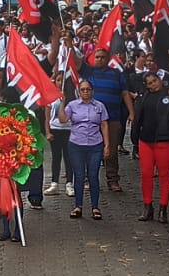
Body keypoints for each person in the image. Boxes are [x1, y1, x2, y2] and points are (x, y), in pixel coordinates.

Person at [133, 72, 169, 223]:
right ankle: (147, 206)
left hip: (165, 140)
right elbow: (138, 119)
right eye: (149, 83)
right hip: (146, 141)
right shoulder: (145, 97)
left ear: (160, 80)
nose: (153, 85)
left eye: (154, 81)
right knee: (146, 174)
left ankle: (163, 208)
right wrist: (135, 140)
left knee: (164, 175)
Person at [79, 48, 133, 192]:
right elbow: (76, 61)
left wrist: (132, 113)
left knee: (112, 151)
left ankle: (113, 180)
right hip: (92, 119)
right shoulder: (88, 72)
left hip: (113, 118)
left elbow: (125, 93)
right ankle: (89, 179)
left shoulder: (117, 74)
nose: (99, 59)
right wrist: (69, 43)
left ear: (108, 58)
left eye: (102, 57)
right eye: (97, 57)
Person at [58, 79, 109, 220]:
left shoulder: (99, 106)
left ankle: (95, 206)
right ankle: (78, 206)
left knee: (93, 176)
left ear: (92, 91)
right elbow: (62, 119)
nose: (85, 92)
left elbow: (104, 125)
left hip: (95, 144)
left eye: (88, 89)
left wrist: (107, 144)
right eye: (83, 89)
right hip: (76, 145)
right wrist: (62, 103)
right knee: (79, 176)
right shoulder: (72, 105)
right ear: (78, 92)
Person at [44, 71, 74, 196]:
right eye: (58, 80)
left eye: (63, 80)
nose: (60, 83)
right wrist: (48, 132)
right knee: (56, 157)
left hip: (68, 130)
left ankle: (69, 184)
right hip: (55, 130)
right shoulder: (51, 97)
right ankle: (54, 183)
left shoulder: (72, 98)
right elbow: (46, 118)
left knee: (69, 157)